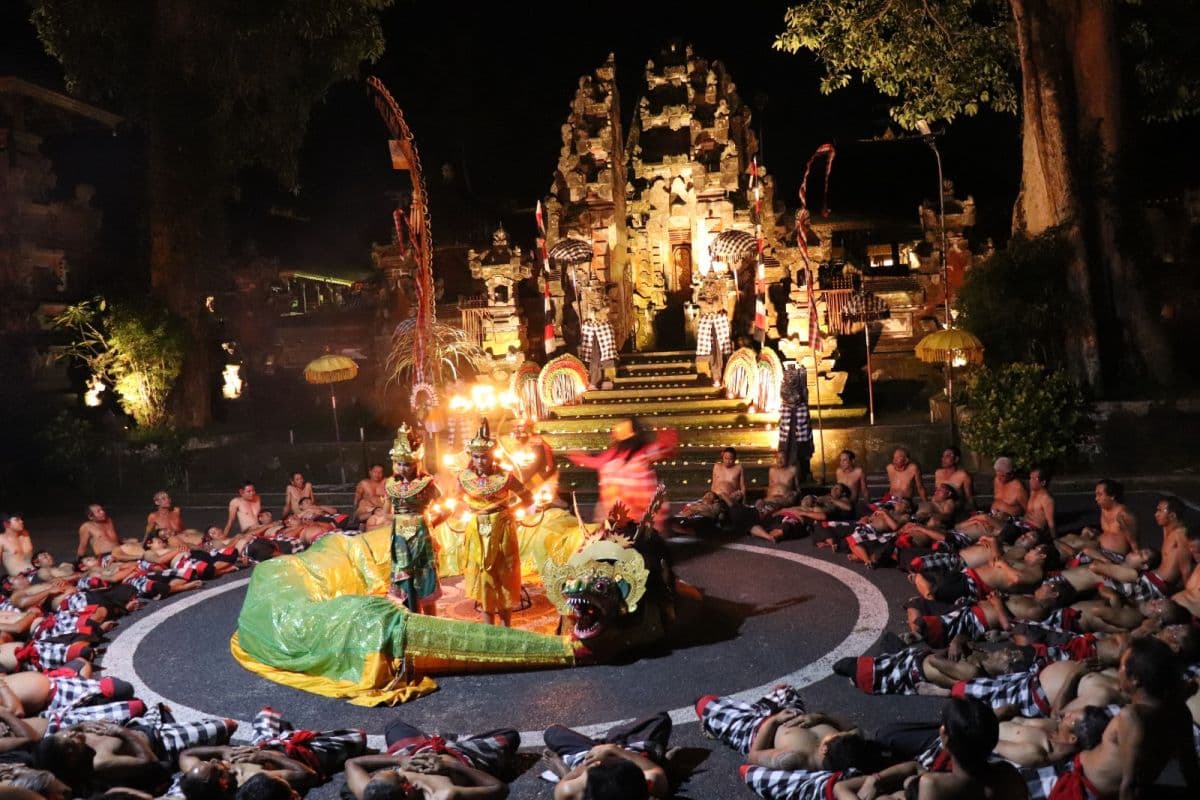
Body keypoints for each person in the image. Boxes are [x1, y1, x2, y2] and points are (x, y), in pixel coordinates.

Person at [456, 422, 529, 627]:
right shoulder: (463, 478)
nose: (480, 461)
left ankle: (507, 627)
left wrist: (510, 511)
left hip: (502, 528)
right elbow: (455, 500)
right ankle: (489, 628)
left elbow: (527, 497)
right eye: (476, 456)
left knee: (504, 573)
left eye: (485, 456)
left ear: (493, 455)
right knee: (483, 573)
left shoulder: (505, 477)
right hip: (477, 528)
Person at [344, 717, 515, 800]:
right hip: (460, 756)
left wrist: (399, 761)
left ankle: (435, 739)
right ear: (406, 787)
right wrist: (449, 766)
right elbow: (500, 789)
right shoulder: (443, 795)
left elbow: (352, 763)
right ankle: (450, 742)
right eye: (398, 775)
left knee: (394, 726)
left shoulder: (370, 793)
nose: (398, 772)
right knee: (510, 736)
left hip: (412, 751)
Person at [566, 418, 677, 530]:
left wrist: (580, 457)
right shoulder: (615, 454)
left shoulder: (641, 453)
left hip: (638, 516)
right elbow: (596, 462)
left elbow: (665, 448)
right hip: (618, 516)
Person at [541, 713, 671, 799]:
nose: (598, 763)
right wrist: (615, 751)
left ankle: (606, 741)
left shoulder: (568, 790)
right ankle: (614, 740)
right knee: (661, 718)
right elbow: (654, 770)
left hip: (584, 754)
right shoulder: (650, 783)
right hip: (629, 749)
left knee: (552, 732)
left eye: (594, 767)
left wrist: (563, 769)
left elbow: (564, 784)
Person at [384, 424, 441, 615]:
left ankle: (433, 625)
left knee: (425, 579)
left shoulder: (426, 483)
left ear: (416, 463)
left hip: (422, 535)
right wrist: (401, 518)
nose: (403, 468)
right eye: (399, 463)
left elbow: (447, 506)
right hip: (400, 538)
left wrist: (429, 522)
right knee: (406, 581)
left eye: (407, 464)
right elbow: (386, 513)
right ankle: (414, 623)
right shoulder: (391, 484)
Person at [1085, 479, 1139, 559]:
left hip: (1113, 556)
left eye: (1100, 495)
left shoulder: (1124, 515)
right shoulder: (1104, 508)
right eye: (1096, 495)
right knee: (1073, 537)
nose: (1096, 498)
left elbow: (1135, 545)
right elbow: (1108, 533)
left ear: (1112, 496)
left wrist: (1134, 562)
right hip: (1098, 550)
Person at [755, 451, 799, 517]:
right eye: (778, 458)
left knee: (770, 506)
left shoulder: (793, 470)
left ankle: (768, 512)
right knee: (759, 503)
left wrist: (794, 494)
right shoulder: (772, 470)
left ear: (787, 459)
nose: (780, 460)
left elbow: (797, 489)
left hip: (784, 499)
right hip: (770, 499)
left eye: (782, 458)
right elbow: (770, 486)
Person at [934, 446, 975, 512]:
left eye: (947, 456)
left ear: (956, 459)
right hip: (938, 505)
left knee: (948, 503)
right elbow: (936, 493)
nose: (943, 459)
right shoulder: (938, 473)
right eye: (943, 456)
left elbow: (969, 498)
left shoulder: (963, 475)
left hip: (954, 507)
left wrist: (974, 512)